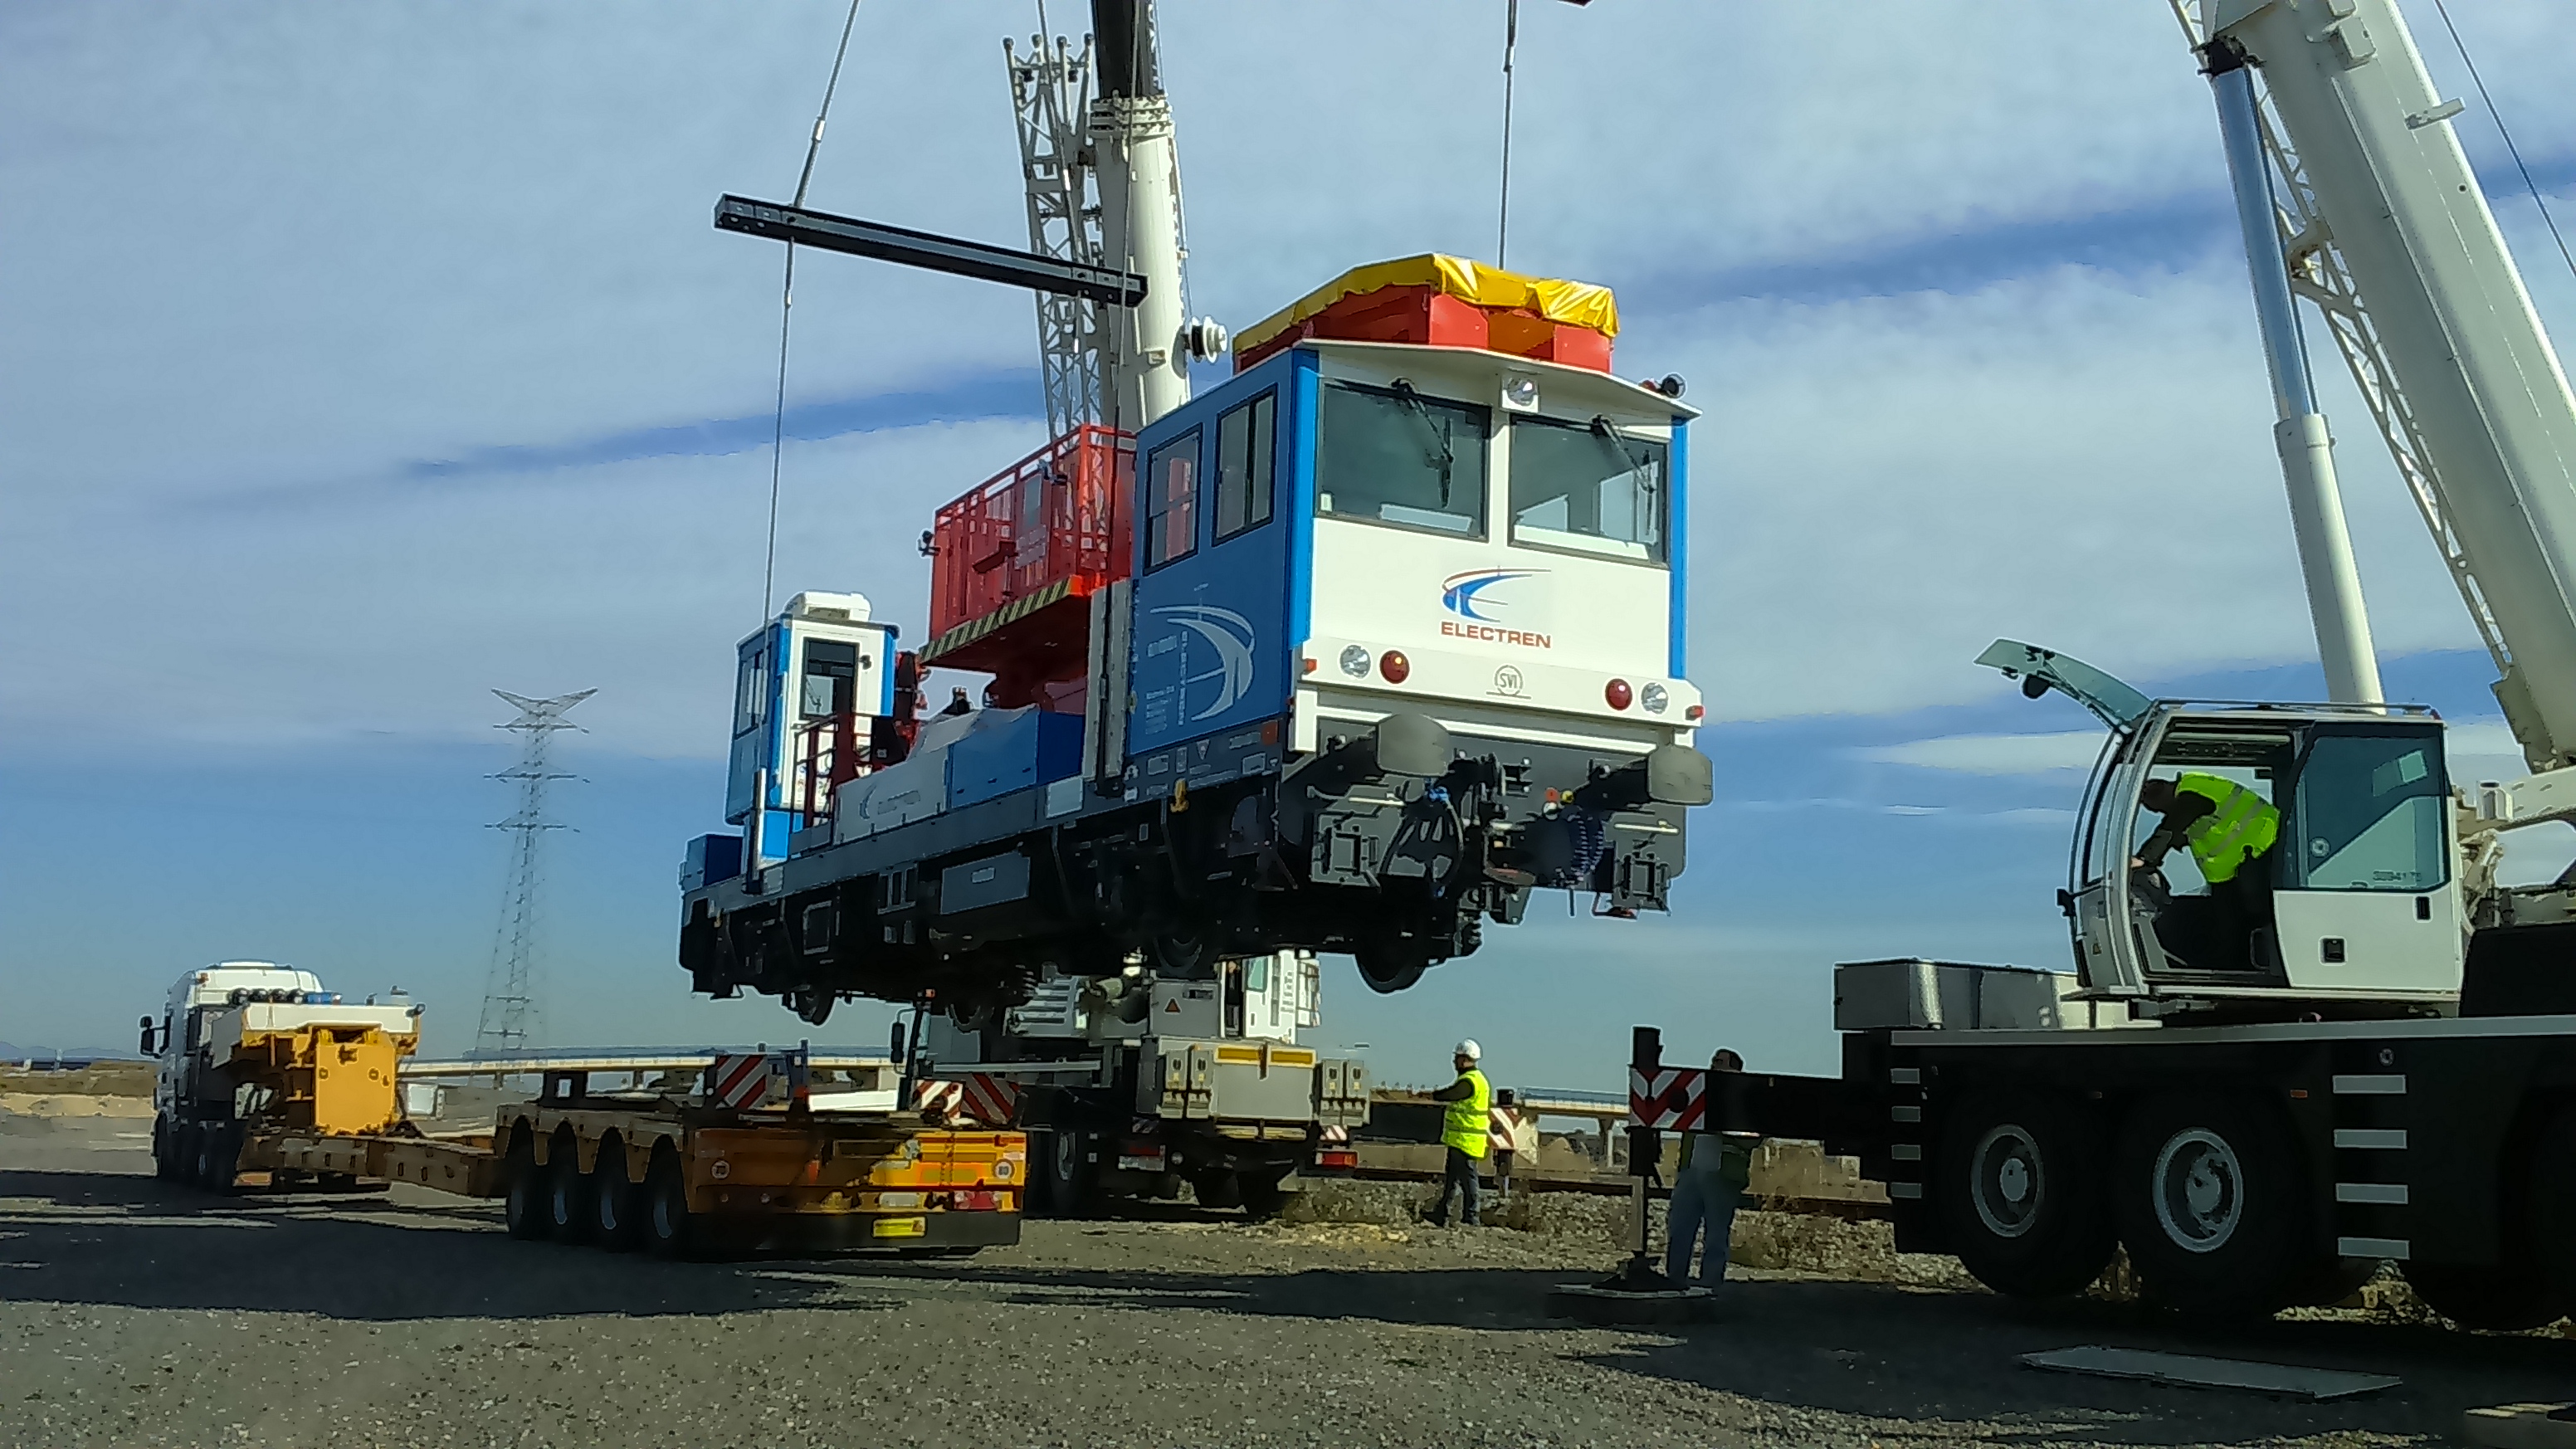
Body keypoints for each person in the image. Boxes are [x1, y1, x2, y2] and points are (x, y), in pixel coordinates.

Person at [2134, 773, 2281, 971]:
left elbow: (2173, 825)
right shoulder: (2194, 806)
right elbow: (2182, 831)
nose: (2163, 813)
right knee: (2225, 916)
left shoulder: (2193, 791)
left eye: (2159, 808)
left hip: (2263, 850)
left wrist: (2145, 859)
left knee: (2240, 918)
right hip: (2237, 868)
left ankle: (2235, 968)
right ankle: (2230, 966)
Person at [1666, 1048, 1756, 1288]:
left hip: (1722, 1174)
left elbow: (1754, 1137)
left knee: (1716, 1234)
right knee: (1680, 1229)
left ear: (1735, 1068)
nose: (1714, 1066)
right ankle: (1675, 1281)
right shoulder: (1699, 1092)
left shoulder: (1745, 1096)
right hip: (1692, 1172)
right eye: (1713, 1062)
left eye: (1719, 1062)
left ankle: (1710, 1285)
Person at [1426, 1039, 1490, 1227]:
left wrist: (1431, 1095)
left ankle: (1472, 1216)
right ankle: (1442, 1213)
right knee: (1452, 1179)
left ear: (1464, 1059)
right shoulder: (1476, 1079)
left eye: (1457, 1058)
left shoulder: (1470, 1081)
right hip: (1462, 1140)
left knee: (1468, 1180)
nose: (1454, 1062)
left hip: (1466, 1140)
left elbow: (1451, 1094)